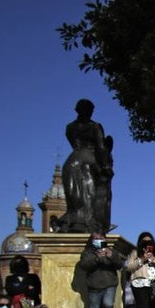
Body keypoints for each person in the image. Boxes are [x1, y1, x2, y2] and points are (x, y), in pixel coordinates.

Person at [61, 98, 114, 234]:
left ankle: (75, 221)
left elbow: (73, 144)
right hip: (89, 160)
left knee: (73, 195)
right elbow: (101, 148)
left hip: (71, 161)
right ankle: (90, 224)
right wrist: (106, 167)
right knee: (89, 194)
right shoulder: (95, 127)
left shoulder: (69, 128)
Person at [78, 232, 126, 308]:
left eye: (101, 238)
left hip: (109, 284)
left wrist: (111, 256)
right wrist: (97, 258)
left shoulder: (111, 251)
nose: (98, 240)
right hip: (94, 286)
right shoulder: (88, 252)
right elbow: (84, 265)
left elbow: (120, 264)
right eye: (96, 238)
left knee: (108, 304)